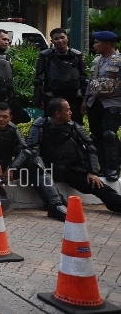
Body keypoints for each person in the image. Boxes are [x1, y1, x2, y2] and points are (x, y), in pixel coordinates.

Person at [0, 102, 66, 221]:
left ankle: (56, 204)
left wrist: (13, 166)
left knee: (35, 161)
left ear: (10, 117)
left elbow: (25, 150)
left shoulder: (13, 128)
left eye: (4, 117)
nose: (1, 119)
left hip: (7, 166)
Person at [29, 98, 121, 214]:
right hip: (48, 168)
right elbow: (33, 151)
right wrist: (42, 169)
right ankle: (56, 204)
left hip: (70, 169)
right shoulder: (40, 126)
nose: (71, 112)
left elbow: (90, 148)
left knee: (100, 187)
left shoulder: (73, 127)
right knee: (34, 165)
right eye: (67, 110)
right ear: (58, 114)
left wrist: (93, 172)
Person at [82, 31, 121, 182]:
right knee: (96, 135)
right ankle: (102, 167)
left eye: (97, 42)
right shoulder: (96, 61)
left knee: (109, 135)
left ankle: (112, 168)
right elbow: (91, 82)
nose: (94, 45)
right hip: (95, 102)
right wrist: (85, 100)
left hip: (113, 102)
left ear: (108, 44)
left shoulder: (118, 60)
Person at [34, 28, 87, 124]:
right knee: (51, 125)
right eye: (56, 38)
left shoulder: (77, 55)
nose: (60, 41)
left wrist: (85, 99)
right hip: (52, 97)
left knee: (76, 125)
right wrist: (38, 98)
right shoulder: (45, 56)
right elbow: (39, 78)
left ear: (67, 38)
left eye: (62, 37)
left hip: (74, 98)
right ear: (52, 41)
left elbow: (83, 78)